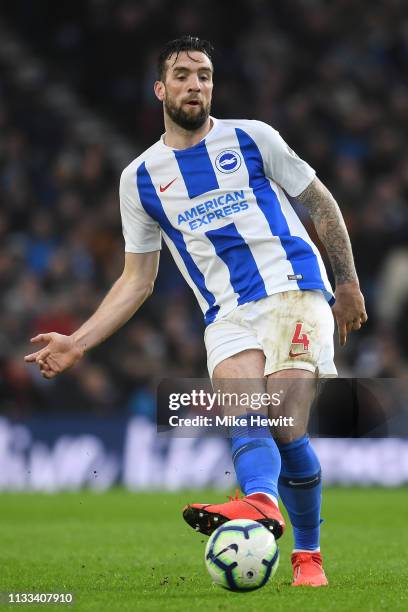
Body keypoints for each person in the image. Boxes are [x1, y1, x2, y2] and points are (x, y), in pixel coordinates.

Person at [25, 35, 367, 587]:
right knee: (250, 417)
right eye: (183, 75)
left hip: (294, 287)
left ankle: (302, 550)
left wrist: (347, 281)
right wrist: (78, 342)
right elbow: (136, 280)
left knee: (281, 420)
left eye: (204, 75)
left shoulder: (253, 138)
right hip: (227, 313)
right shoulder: (139, 179)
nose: (195, 84)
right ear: (161, 89)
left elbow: (319, 200)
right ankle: (269, 511)